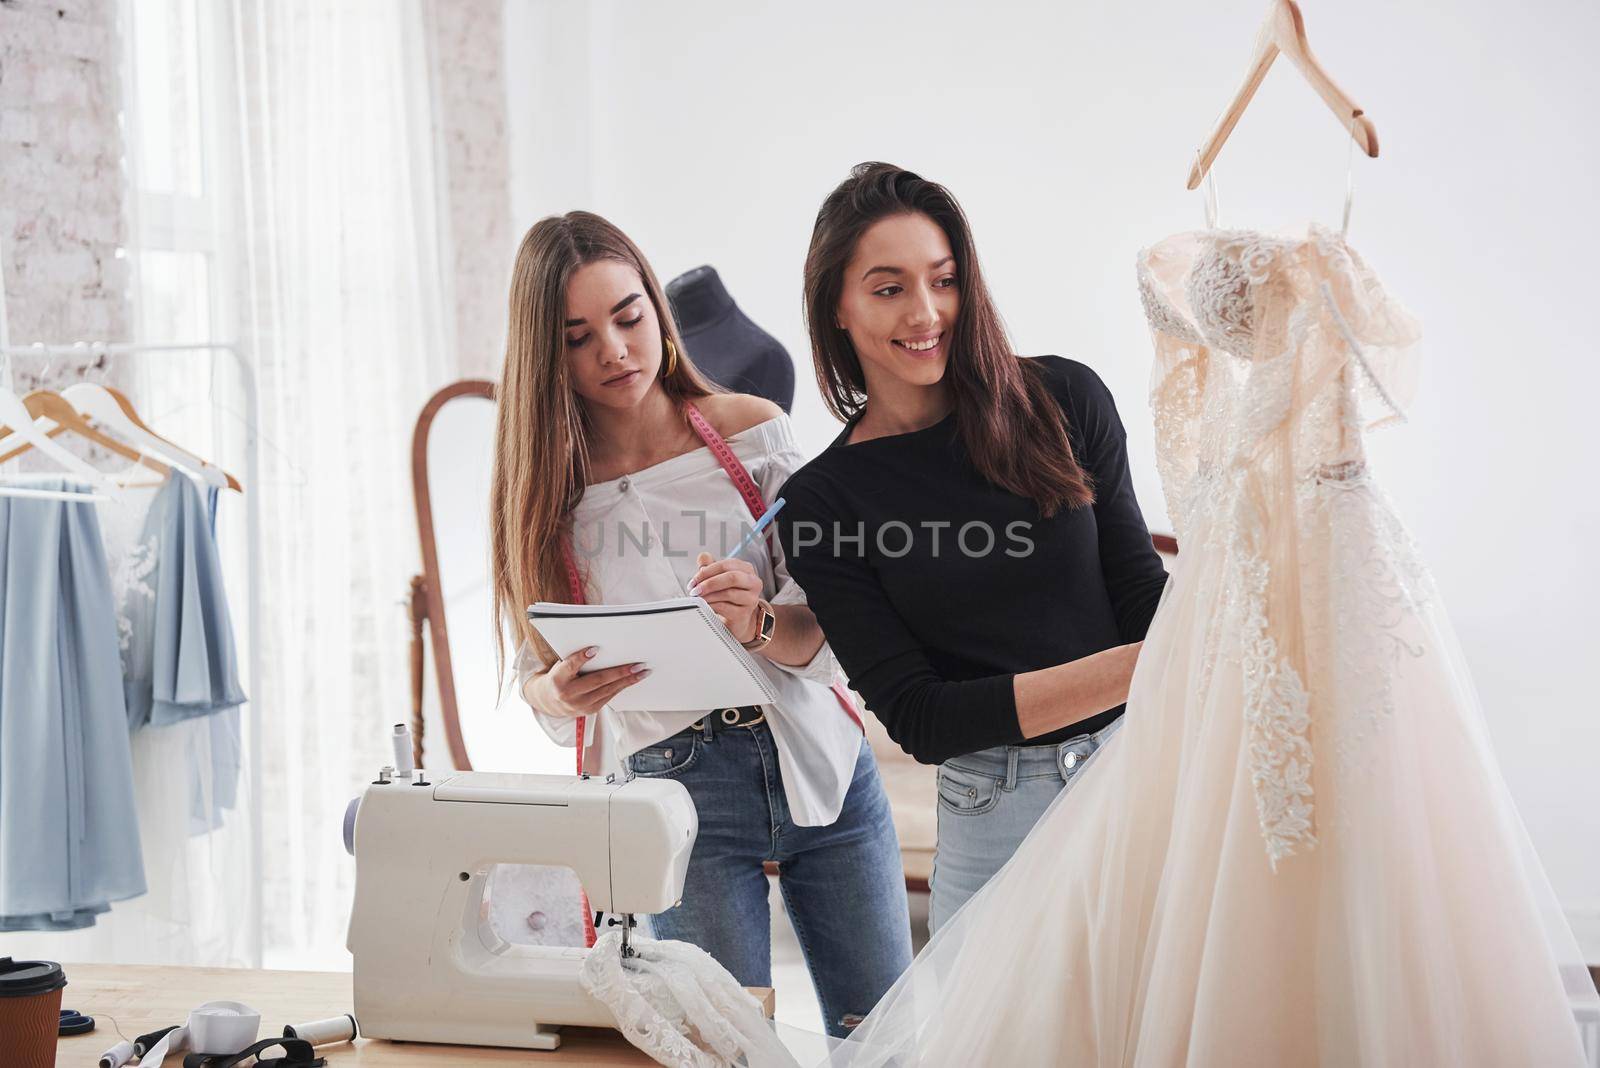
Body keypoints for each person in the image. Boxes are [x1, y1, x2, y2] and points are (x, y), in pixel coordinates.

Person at [488, 211, 911, 1039]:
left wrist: (757, 623)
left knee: (890, 1040)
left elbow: (826, 633)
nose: (614, 350)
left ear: (656, 307)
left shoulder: (753, 431)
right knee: (726, 1052)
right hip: (671, 792)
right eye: (578, 336)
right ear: (546, 354)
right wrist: (561, 692)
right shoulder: (546, 495)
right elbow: (534, 677)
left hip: (820, 762)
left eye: (629, 316)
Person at [777, 163, 1169, 931]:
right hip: (994, 815)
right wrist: (1150, 664)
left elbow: (1139, 596)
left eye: (945, 280)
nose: (927, 312)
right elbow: (920, 718)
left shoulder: (1066, 400)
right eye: (889, 289)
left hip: (1137, 774)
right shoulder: (823, 500)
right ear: (838, 310)